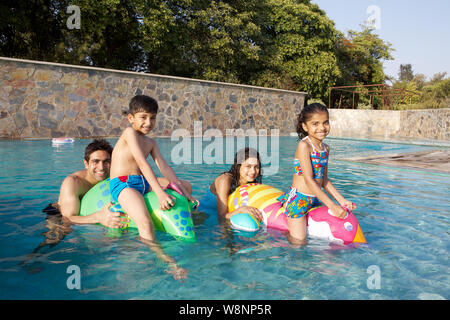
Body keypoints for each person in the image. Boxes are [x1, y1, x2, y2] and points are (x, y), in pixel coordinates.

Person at [109, 94, 198, 279]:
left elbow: (164, 167)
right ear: (130, 118)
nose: (148, 122)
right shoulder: (129, 133)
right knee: (145, 222)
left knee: (186, 186)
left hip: (142, 183)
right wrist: (159, 193)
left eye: (152, 118)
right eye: (143, 117)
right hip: (124, 184)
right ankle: (165, 260)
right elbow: (142, 163)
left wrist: (185, 194)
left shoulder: (151, 142)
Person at [278, 103, 356, 244]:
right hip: (298, 200)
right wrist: (331, 206)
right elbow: (309, 180)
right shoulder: (304, 146)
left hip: (314, 199)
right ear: (305, 126)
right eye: (315, 123)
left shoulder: (326, 148)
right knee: (299, 242)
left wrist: (342, 200)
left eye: (325, 122)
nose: (322, 127)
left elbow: (324, 180)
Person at [56, 139, 128, 228]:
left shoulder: (115, 175)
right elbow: (67, 218)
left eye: (106, 161)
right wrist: (98, 218)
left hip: (96, 213)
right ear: (86, 163)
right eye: (95, 161)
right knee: (62, 233)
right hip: (58, 213)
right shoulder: (74, 182)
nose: (101, 167)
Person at [203, 147, 264, 222]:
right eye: (248, 166)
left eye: (256, 167)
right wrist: (241, 210)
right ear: (238, 166)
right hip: (206, 215)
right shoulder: (225, 180)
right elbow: (222, 216)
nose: (253, 171)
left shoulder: (252, 182)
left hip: (231, 216)